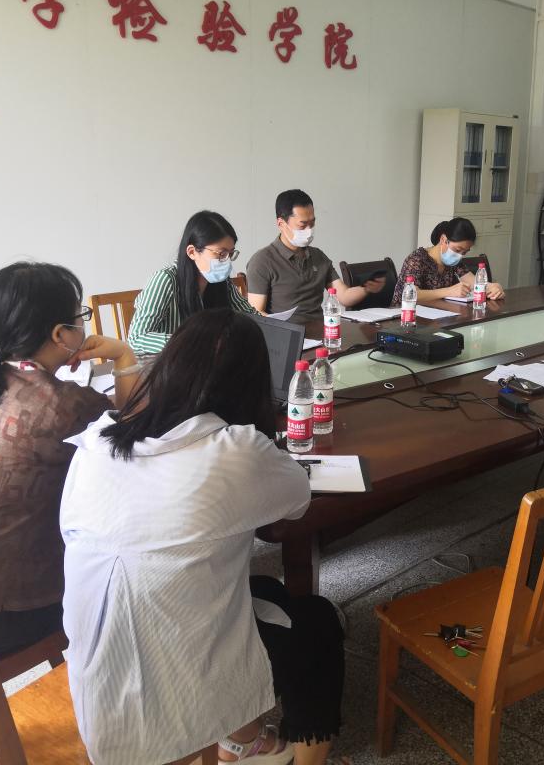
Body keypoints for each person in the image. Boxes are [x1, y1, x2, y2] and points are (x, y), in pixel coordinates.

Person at [61, 309, 346, 765]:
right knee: (317, 621)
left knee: (265, 590)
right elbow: (297, 500)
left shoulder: (97, 441)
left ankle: (241, 739)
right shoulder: (236, 450)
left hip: (97, 683)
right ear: (252, 385)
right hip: (178, 694)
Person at [0, 262, 141, 657]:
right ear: (60, 334)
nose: (83, 325)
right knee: (123, 576)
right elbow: (133, 425)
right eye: (80, 317)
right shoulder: (64, 406)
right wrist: (122, 354)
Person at [127, 210, 258, 355]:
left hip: (207, 361)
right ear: (192, 252)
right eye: (221, 254)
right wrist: (193, 341)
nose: (227, 261)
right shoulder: (166, 279)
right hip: (169, 363)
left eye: (231, 253)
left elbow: (251, 316)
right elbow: (136, 338)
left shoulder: (222, 281)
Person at [247, 189, 378, 323]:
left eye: (312, 223)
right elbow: (256, 313)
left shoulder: (318, 256)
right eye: (302, 225)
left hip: (321, 330)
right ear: (281, 224)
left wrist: (367, 287)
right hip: (287, 333)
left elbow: (343, 296)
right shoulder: (262, 261)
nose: (309, 230)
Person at [390, 217, 505, 305]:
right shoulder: (416, 260)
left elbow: (473, 282)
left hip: (438, 315)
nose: (459, 256)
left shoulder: (454, 262)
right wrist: (449, 291)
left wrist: (492, 287)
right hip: (406, 317)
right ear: (443, 239)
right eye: (458, 250)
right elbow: (410, 294)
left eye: (464, 252)